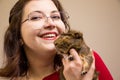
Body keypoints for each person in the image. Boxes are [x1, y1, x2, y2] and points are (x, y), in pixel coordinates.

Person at [0, 0, 113, 80]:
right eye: (36, 17)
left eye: (55, 17)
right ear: (18, 35)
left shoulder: (88, 62)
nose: (51, 23)